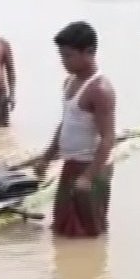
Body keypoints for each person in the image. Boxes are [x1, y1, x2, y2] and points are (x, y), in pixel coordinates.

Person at [34, 21, 116, 238]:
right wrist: (47, 157)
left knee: (90, 234)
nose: (64, 62)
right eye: (62, 56)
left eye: (68, 56)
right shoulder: (69, 81)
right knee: (63, 230)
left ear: (89, 52)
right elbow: (65, 124)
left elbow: (108, 138)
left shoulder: (100, 90)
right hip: (71, 165)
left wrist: (89, 177)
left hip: (93, 167)